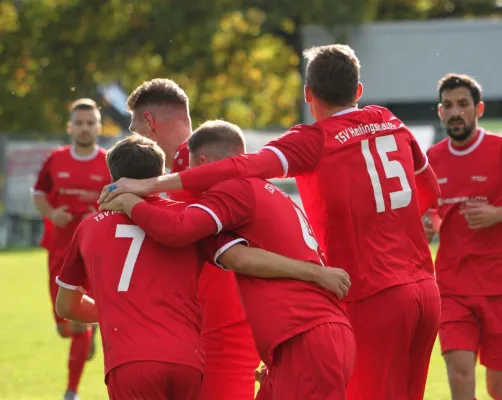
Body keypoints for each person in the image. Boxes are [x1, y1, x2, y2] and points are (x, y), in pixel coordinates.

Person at [100, 45, 441, 400]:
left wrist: (148, 186)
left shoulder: (312, 141)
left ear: (308, 95)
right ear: (358, 90)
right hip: (422, 285)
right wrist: (392, 228)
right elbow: (429, 190)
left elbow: (237, 172)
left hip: (370, 291)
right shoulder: (388, 120)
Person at [56, 134, 350, 399]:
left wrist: (120, 310)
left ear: (115, 177)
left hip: (131, 360)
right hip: (190, 359)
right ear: (161, 173)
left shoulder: (90, 227)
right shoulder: (199, 213)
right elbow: (237, 257)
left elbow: (66, 305)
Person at [126, 78, 259, 399]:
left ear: (149, 122)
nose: (135, 140)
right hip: (211, 323)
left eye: (135, 130)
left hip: (223, 325)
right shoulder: (201, 156)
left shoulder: (193, 161)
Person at [425, 73, 502, 400]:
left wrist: (500, 214)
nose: (456, 112)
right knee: (459, 376)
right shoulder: (431, 161)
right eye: (448, 105)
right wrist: (428, 224)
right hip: (453, 287)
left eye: (463, 104)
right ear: (440, 112)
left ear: (478, 108)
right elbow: (432, 214)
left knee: (500, 389)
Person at [32, 98, 111, 400]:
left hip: (93, 251)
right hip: (58, 249)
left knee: (78, 321)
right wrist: (52, 214)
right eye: (79, 122)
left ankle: (71, 392)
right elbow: (38, 193)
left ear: (99, 127)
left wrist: (100, 214)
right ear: (70, 127)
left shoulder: (108, 161)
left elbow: (120, 200)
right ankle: (86, 332)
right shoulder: (55, 159)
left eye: (90, 122)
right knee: (64, 322)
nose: (84, 128)